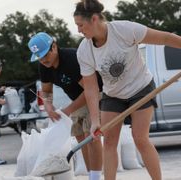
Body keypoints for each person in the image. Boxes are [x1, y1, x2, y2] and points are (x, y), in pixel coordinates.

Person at [73, 0, 181, 179]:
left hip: (141, 88)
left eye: (80, 25)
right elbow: (91, 88)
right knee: (108, 142)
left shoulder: (125, 30)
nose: (78, 30)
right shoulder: (84, 50)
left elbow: (165, 38)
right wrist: (94, 121)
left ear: (93, 19)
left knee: (139, 138)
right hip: (112, 95)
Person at [28, 32, 103, 180]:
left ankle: (96, 177)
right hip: (78, 98)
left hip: (96, 94)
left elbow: (91, 89)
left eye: (45, 55)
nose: (43, 60)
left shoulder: (71, 59)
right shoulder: (44, 66)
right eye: (39, 57)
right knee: (80, 137)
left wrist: (68, 109)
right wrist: (48, 106)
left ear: (54, 47)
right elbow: (47, 90)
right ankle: (91, 175)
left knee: (91, 137)